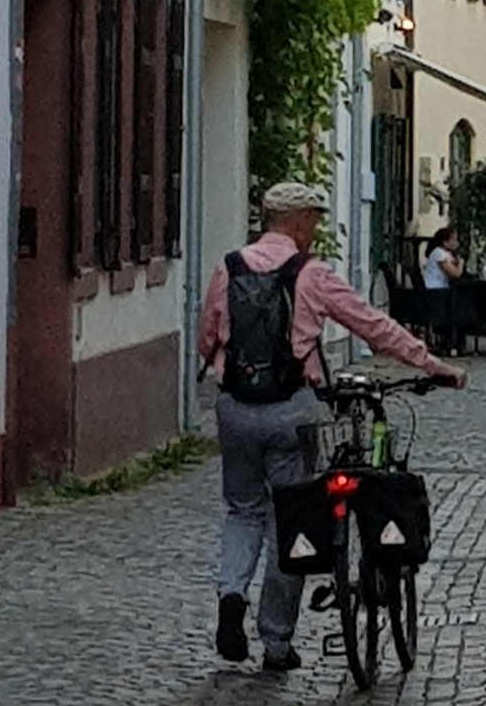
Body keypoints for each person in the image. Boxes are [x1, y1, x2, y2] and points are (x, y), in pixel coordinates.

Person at [198, 181, 467, 673]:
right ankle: (276, 642)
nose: (315, 229)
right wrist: (433, 365)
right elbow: (372, 326)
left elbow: (208, 338)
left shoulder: (228, 266)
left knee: (242, 509)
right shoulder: (311, 274)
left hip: (235, 408)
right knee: (289, 519)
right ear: (298, 221)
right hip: (292, 411)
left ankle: (231, 593)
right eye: (314, 220)